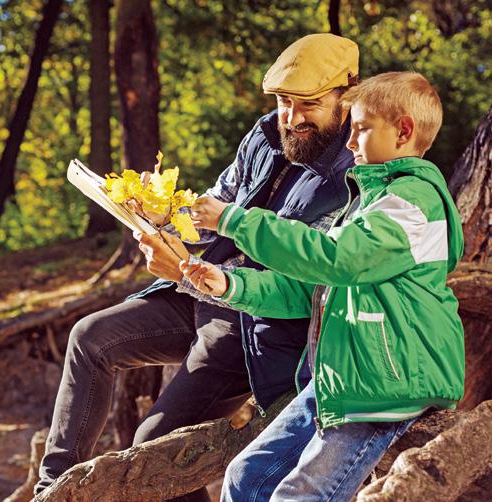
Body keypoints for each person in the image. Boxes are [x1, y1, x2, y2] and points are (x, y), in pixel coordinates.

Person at [35, 34, 359, 500]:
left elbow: (302, 285)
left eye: (308, 104)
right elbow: (216, 205)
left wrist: (189, 271)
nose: (291, 117)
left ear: (347, 95)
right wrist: (164, 214)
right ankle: (52, 490)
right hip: (201, 293)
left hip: (256, 325)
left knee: (154, 445)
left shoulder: (354, 174)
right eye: (284, 102)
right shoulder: (266, 134)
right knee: (91, 338)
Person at [181, 71, 465, 501]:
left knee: (298, 496)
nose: (349, 143)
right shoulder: (370, 202)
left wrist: (234, 220)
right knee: (245, 477)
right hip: (341, 378)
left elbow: (335, 259)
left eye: (361, 129)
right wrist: (231, 285)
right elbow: (309, 288)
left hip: (384, 387)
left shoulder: (412, 203)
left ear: (404, 131)